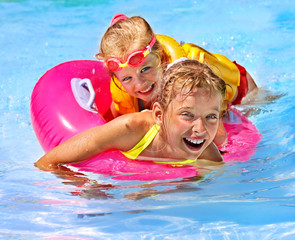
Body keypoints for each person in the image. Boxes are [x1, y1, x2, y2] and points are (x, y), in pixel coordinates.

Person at [95, 14, 258, 146]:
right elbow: (111, 124)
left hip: (242, 91)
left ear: (161, 58)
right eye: (127, 78)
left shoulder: (190, 85)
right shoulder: (122, 90)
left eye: (145, 69)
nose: (139, 83)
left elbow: (219, 138)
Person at [35, 59, 226, 171]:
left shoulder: (208, 153)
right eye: (187, 115)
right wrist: (81, 184)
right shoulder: (131, 130)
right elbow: (48, 161)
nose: (200, 129)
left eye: (211, 116)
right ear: (159, 115)